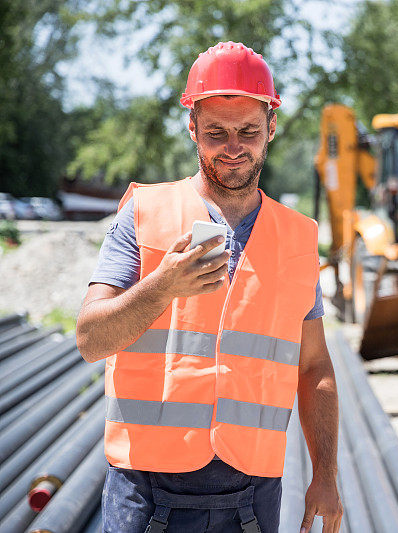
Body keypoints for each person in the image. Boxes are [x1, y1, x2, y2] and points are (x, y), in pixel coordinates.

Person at [76, 41, 342, 533]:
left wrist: (324, 473)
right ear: (193, 128)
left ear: (272, 129)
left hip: (252, 493)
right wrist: (159, 289)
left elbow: (314, 366)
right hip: (144, 488)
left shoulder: (298, 236)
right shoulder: (143, 215)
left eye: (248, 131)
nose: (234, 146)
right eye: (216, 132)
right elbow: (91, 340)